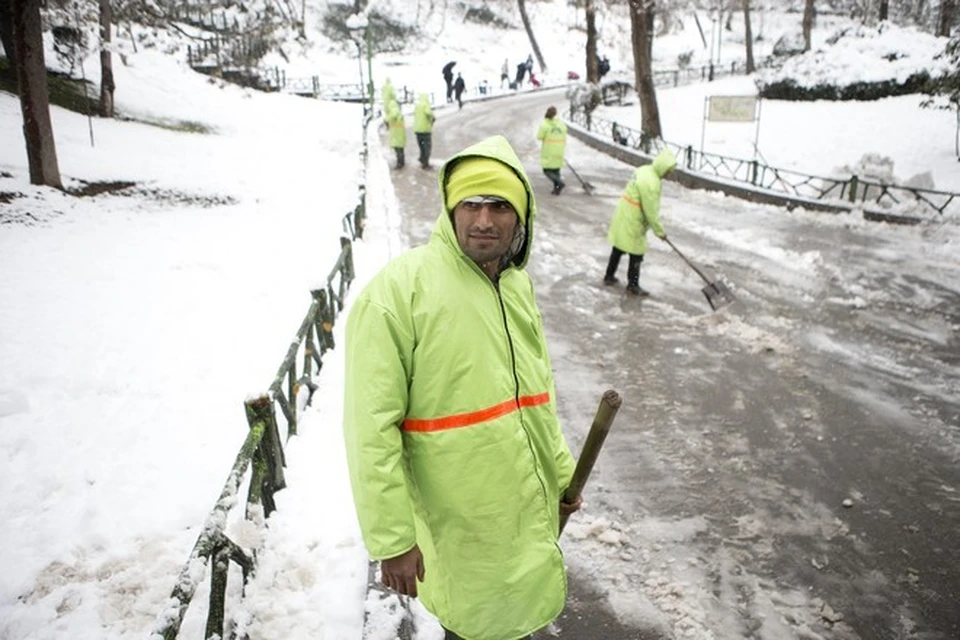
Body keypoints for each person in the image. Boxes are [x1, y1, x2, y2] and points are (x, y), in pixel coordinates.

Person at [343, 135, 582, 640]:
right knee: (474, 625)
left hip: (520, 508)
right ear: (450, 209)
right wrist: (392, 540)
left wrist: (561, 474)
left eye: (499, 206)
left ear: (521, 216)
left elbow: (536, 395)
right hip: (458, 519)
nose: (483, 220)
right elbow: (370, 426)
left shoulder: (516, 286)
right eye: (470, 204)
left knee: (519, 618)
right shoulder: (399, 292)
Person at [604, 147, 677, 296]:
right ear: (663, 166)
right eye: (668, 170)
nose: (669, 174)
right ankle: (633, 285)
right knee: (637, 252)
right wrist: (660, 231)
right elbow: (651, 211)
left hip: (624, 212)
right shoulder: (651, 182)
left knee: (619, 246)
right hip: (633, 218)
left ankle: (609, 276)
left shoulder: (645, 170)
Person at [536, 106, 568, 195]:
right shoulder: (561, 124)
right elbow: (565, 133)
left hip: (549, 150)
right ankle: (556, 189)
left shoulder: (545, 124)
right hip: (560, 150)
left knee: (547, 170)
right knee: (556, 170)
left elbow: (539, 136)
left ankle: (560, 183)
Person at [413, 93, 435, 169]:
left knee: (421, 147)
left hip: (417, 130)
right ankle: (425, 164)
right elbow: (428, 112)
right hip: (425, 130)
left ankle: (422, 159)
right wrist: (433, 117)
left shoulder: (417, 106)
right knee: (427, 147)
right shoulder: (425, 105)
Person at [384, 99, 406, 169]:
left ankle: (400, 163)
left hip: (396, 133)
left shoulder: (394, 111)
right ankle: (401, 161)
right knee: (400, 148)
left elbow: (389, 118)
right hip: (399, 132)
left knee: (398, 149)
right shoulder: (397, 110)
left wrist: (386, 120)